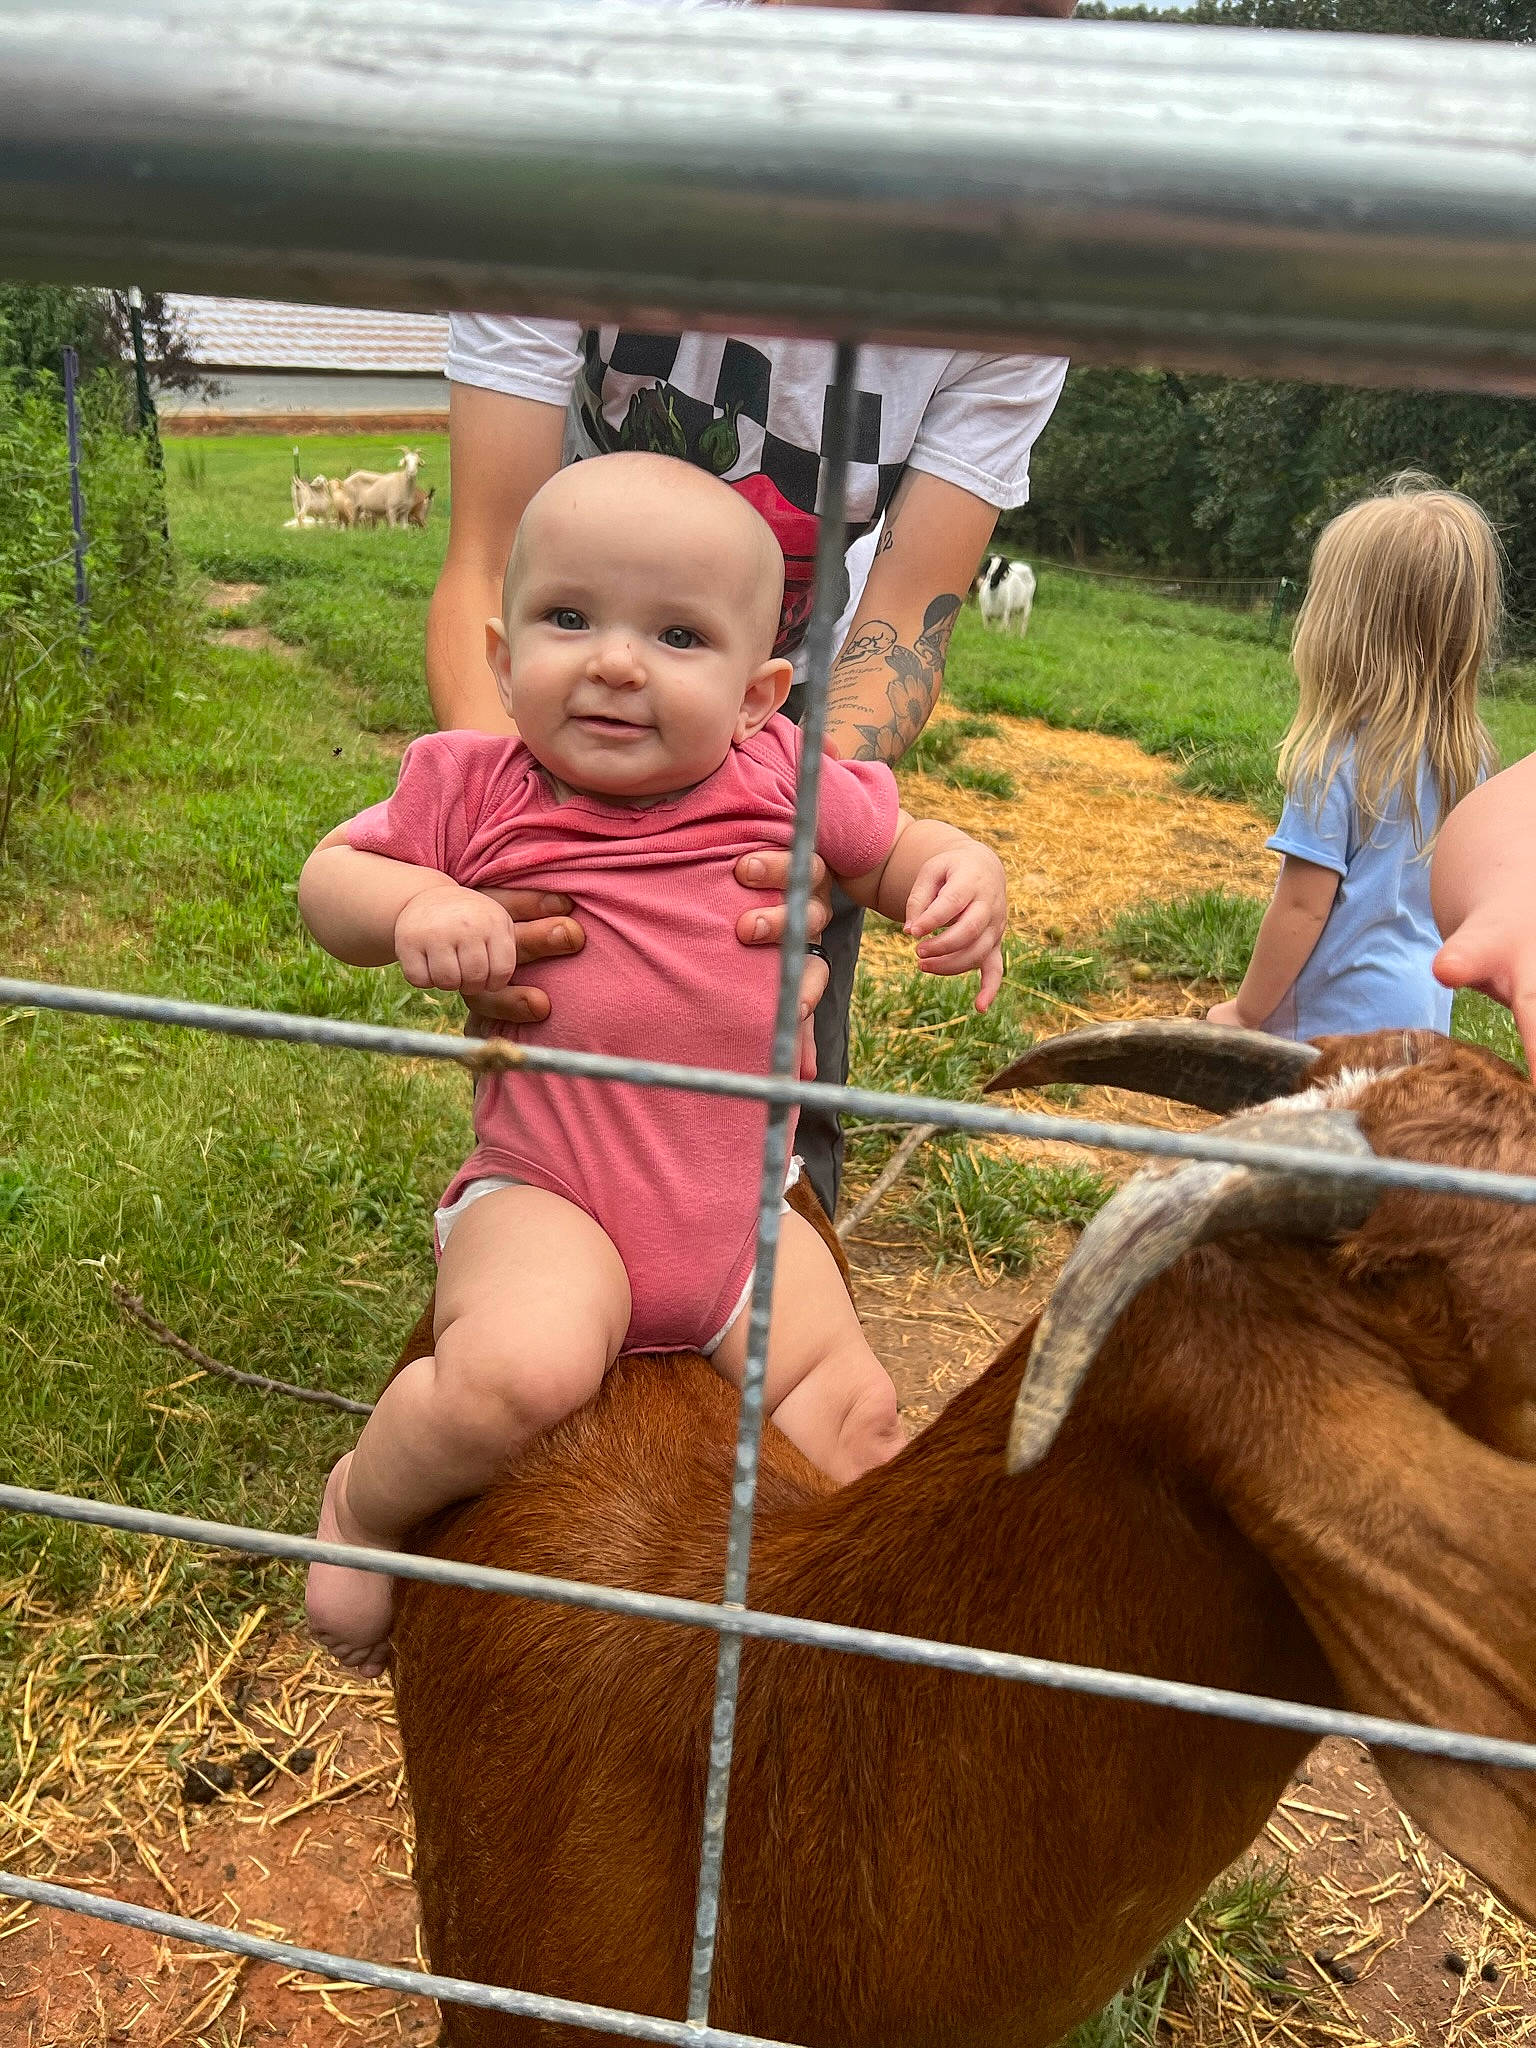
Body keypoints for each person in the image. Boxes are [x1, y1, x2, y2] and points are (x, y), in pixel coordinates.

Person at [302, 453, 1009, 1673]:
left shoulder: (783, 780)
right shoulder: (473, 787)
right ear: (502, 652)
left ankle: (873, 1659)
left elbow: (897, 845)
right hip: (555, 1193)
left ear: (759, 692)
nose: (616, 660)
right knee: (512, 1375)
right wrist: (413, 901)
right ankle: (365, 1504)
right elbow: (330, 881)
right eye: (568, 618)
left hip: (743, 1221)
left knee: (861, 1418)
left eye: (677, 634)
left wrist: (956, 872)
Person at [428, 0, 1077, 1218]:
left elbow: (910, 612)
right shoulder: (570, 160)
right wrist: (494, 835)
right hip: (570, 707)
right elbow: (486, 554)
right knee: (549, 1093)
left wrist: (804, 830)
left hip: (783, 724)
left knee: (779, 1115)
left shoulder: (1013, 283)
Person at [1207, 478, 1499, 1041]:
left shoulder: (1334, 760)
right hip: (1426, 1015)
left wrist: (1245, 1013)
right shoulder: (1470, 760)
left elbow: (1301, 907)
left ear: (1343, 625)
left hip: (1335, 1025)